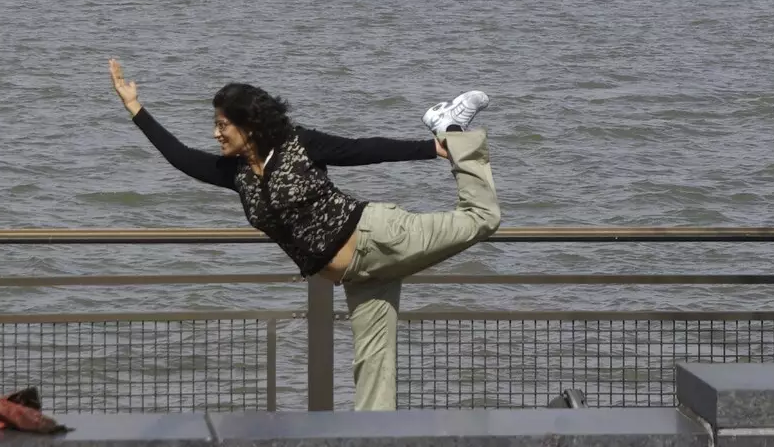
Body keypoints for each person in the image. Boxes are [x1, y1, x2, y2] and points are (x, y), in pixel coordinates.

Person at [107, 58, 500, 411]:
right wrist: (133, 107)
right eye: (215, 125)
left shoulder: (298, 144)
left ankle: (451, 129)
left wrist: (433, 148)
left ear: (249, 125)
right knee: (373, 372)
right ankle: (374, 442)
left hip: (378, 236)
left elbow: (361, 150)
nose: (215, 133)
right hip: (358, 276)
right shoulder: (237, 174)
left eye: (222, 125)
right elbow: (179, 156)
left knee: (483, 217)